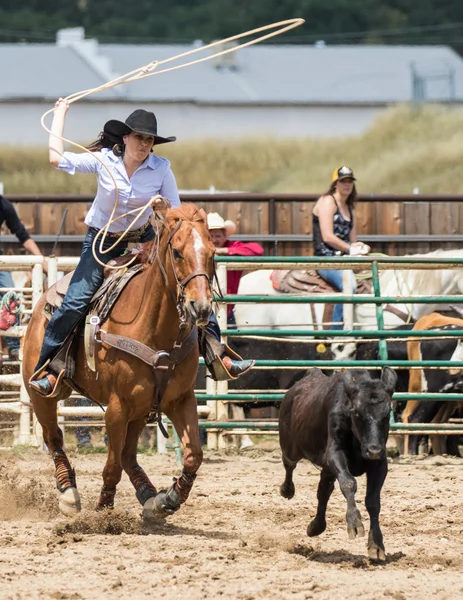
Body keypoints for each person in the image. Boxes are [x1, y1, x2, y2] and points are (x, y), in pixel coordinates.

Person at [30, 99, 253, 396]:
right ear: (125, 138)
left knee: (190, 285)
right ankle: (50, 368)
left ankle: (217, 354)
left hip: (144, 237)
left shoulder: (161, 169)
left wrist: (162, 210)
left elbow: (179, 217)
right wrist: (60, 114)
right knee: (75, 300)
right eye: (139, 138)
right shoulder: (104, 161)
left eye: (149, 140)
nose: (144, 144)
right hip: (103, 240)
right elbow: (57, 159)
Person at [312, 166, 370, 329]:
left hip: (344, 259)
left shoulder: (349, 209)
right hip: (326, 260)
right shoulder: (327, 201)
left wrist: (359, 247)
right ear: (335, 184)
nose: (347, 184)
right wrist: (350, 249)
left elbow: (352, 240)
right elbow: (327, 236)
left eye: (350, 181)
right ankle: (336, 331)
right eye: (343, 181)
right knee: (349, 286)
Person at [0, 194, 47, 359]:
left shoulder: (4, 205)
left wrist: (41, 259)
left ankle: (13, 345)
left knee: (10, 295)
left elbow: (22, 234)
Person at [207, 212, 264, 325]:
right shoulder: (198, 250)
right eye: (210, 236)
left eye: (218, 236)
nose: (214, 240)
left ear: (224, 236)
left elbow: (257, 250)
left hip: (226, 309)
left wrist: (223, 251)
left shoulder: (232, 247)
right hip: (205, 306)